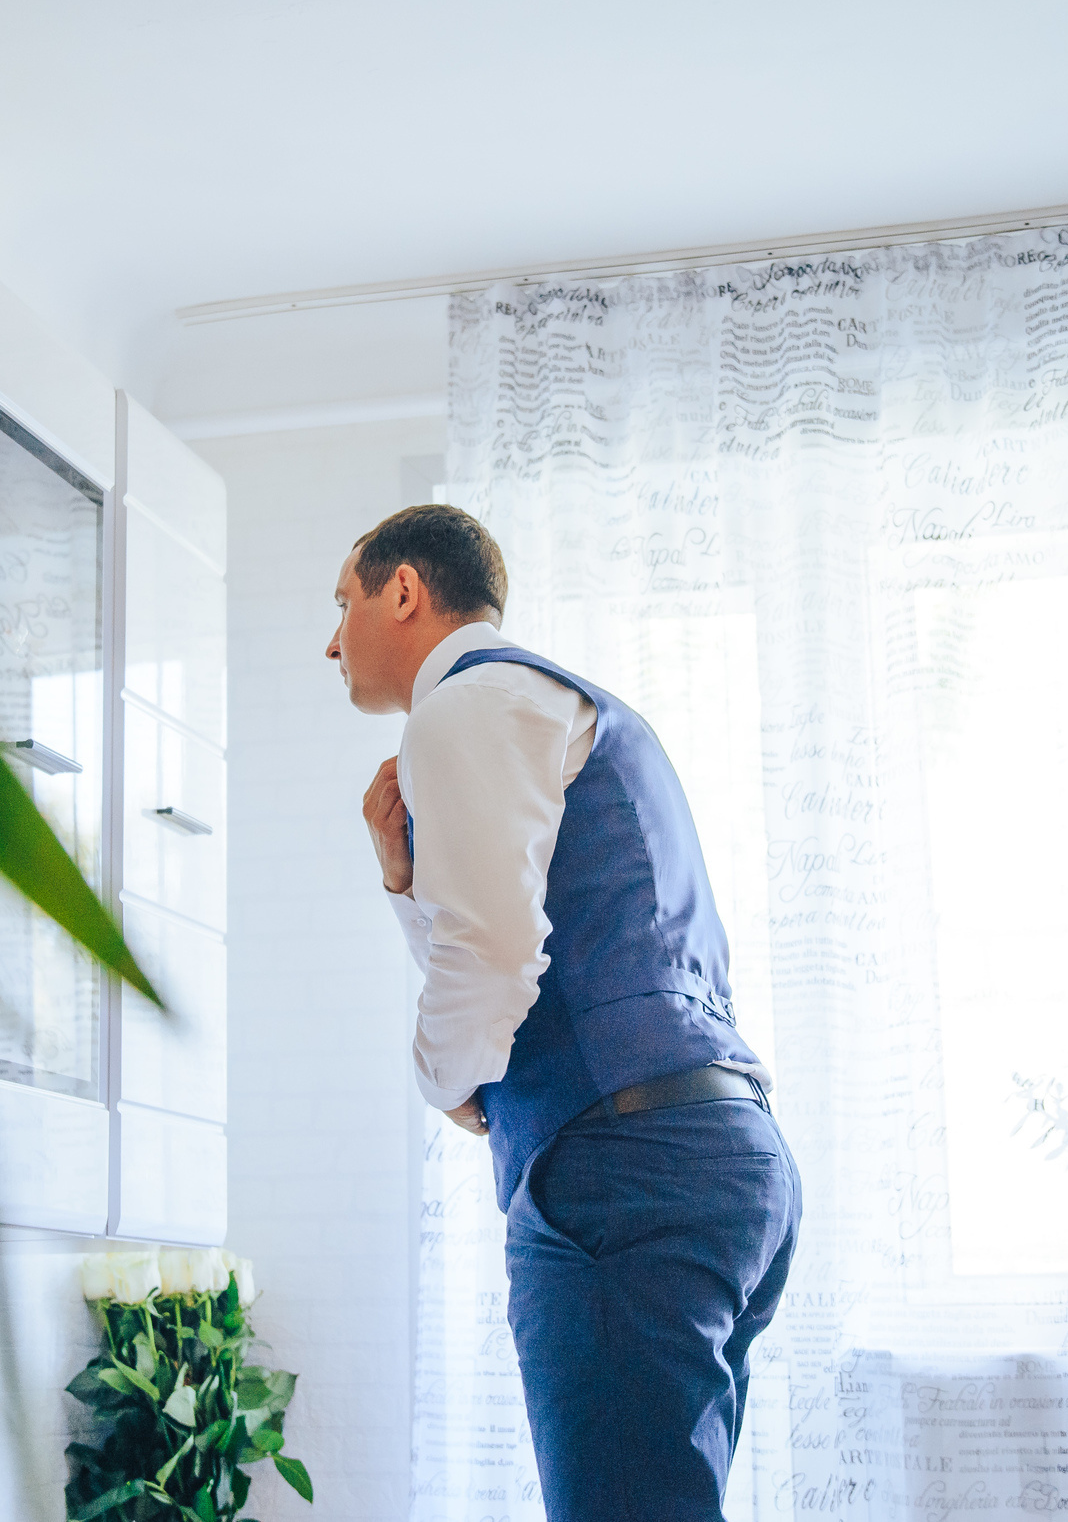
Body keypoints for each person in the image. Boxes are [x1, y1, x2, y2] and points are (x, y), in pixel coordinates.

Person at [325, 503, 800, 1522]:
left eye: (343, 601)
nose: (331, 638)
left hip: (624, 1178)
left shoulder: (458, 709)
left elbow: (492, 957)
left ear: (403, 589)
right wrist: (401, 877)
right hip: (726, 1158)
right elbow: (512, 932)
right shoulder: (558, 705)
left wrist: (446, 1086)